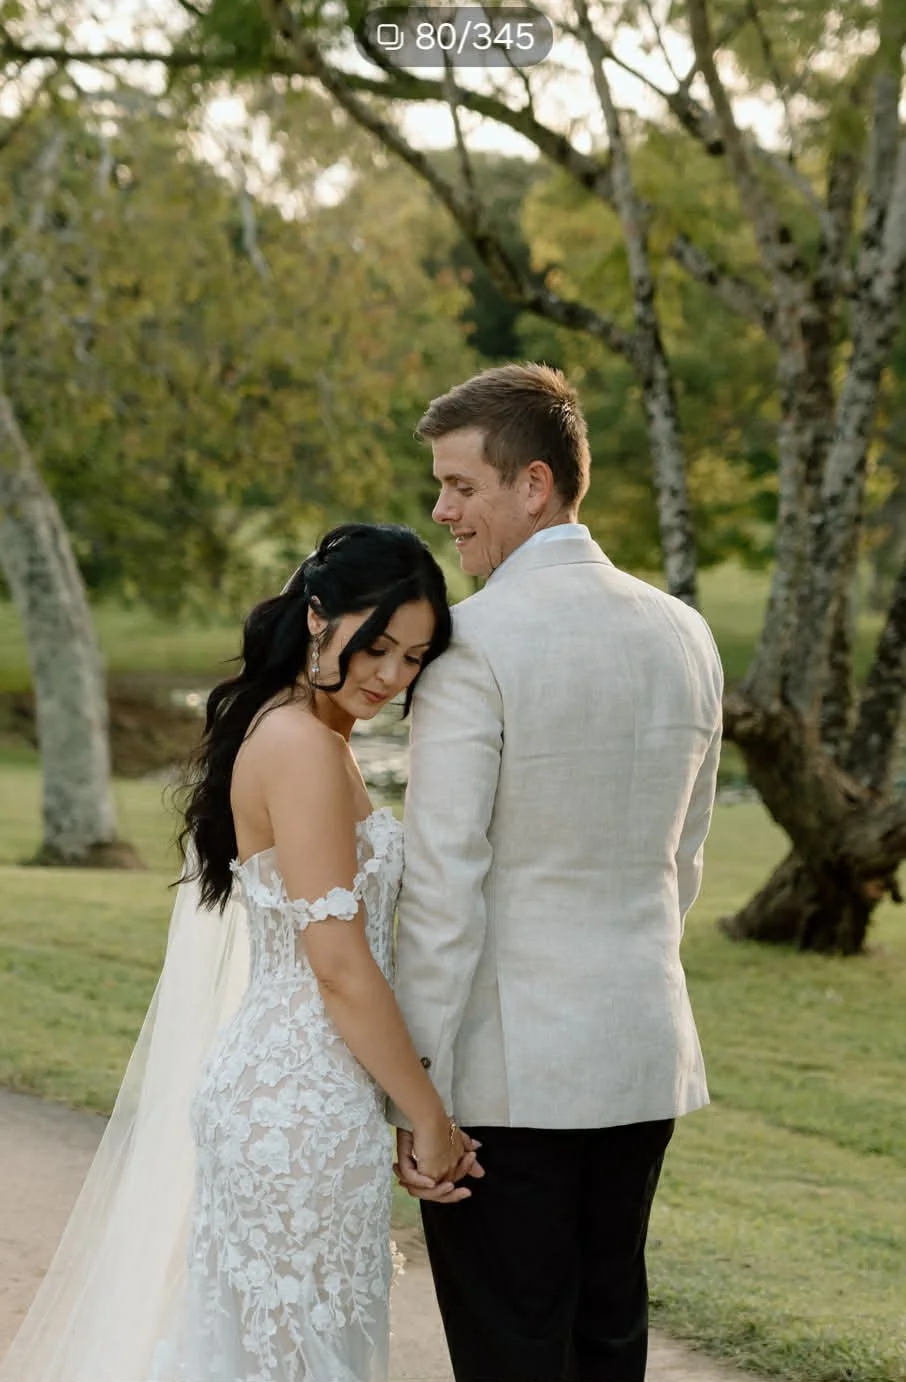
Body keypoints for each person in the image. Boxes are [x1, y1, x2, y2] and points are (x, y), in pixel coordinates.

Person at [0, 522, 478, 1382]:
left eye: (414, 657)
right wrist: (430, 1117)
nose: (392, 675)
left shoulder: (310, 733)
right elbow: (337, 964)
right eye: (376, 646)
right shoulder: (299, 745)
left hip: (305, 1095)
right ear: (317, 616)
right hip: (299, 1109)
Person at [391, 365, 724, 1382]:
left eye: (460, 486)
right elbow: (686, 860)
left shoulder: (470, 647)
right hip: (641, 1048)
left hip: (507, 1074)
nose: (442, 512)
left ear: (534, 483)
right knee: (607, 1331)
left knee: (514, 1348)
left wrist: (419, 1093)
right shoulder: (686, 632)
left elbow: (444, 888)